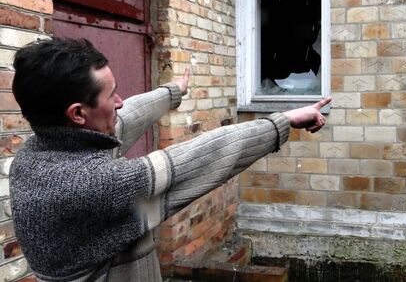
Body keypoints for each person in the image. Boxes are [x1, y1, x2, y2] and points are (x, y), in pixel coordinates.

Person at [9, 38, 331, 282]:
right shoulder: (91, 183)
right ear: (78, 114)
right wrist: (282, 121)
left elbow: (125, 120)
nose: (120, 102)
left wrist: (172, 92)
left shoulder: (36, 154)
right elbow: (194, 162)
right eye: (111, 95)